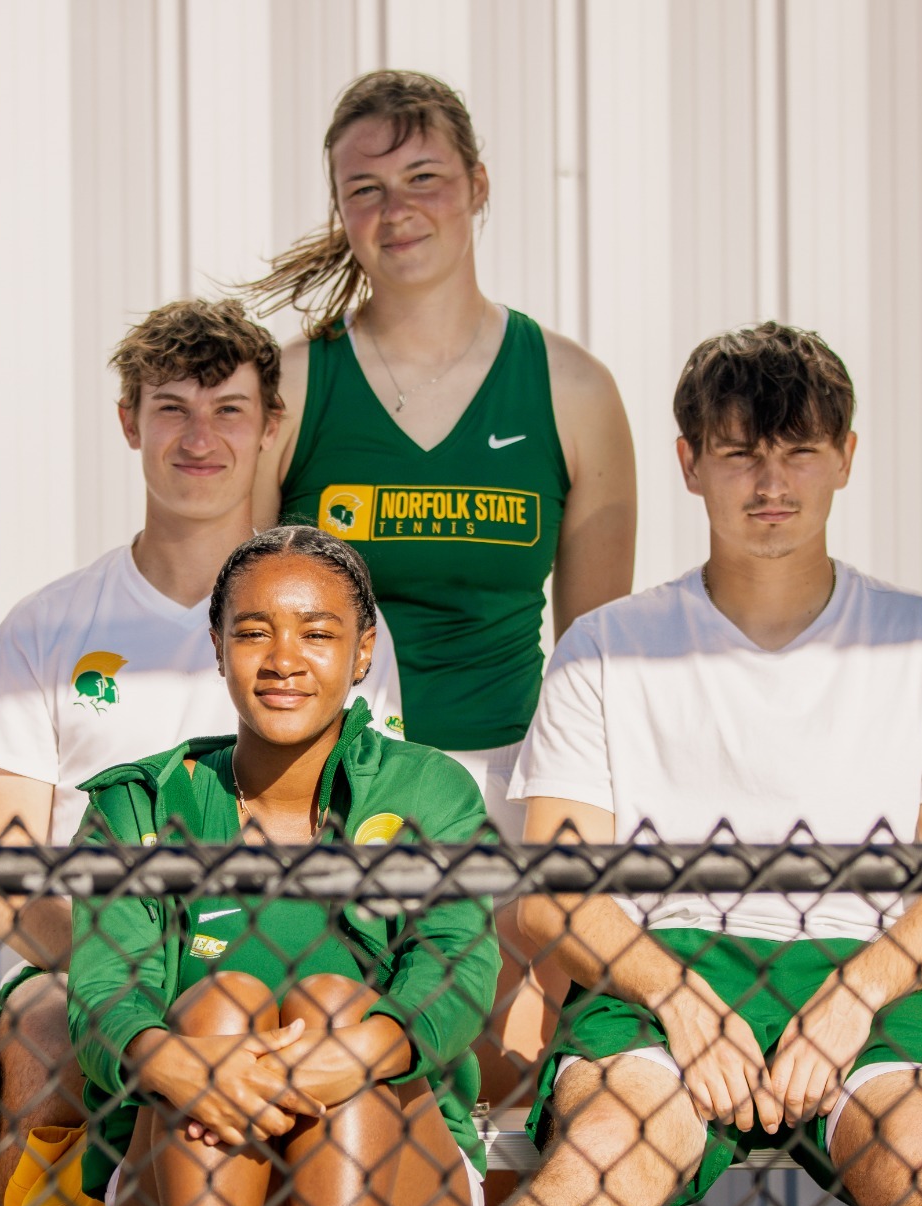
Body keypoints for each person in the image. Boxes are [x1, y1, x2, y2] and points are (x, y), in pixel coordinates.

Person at [469, 323, 922, 1206]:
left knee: (919, 1156)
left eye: (798, 450)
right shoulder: (608, 647)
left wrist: (853, 997)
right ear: (688, 463)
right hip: (661, 962)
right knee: (609, 1143)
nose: (770, 483)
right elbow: (555, 895)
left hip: (875, 963)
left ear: (845, 456)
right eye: (738, 453)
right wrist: (677, 996)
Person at [242, 69, 638, 1107]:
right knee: (327, 1054)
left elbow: (596, 662)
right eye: (364, 188)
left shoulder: (570, 388)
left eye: (423, 177)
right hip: (335, 784)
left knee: (494, 1078)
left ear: (478, 185)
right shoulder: (294, 384)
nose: (397, 208)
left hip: (508, 786)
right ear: (339, 209)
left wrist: (555, 882)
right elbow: (230, 608)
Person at [0, 299, 403, 1206]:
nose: (200, 438)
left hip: (288, 951)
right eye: (172, 409)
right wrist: (127, 971)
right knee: (42, 1023)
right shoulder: (48, 624)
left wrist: (232, 960)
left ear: (270, 426)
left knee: (330, 1020)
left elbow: (370, 832)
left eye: (228, 410)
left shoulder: (335, 626)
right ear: (130, 422)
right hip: (85, 958)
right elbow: (2, 875)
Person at [68, 526, 498, 1206]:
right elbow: (102, 992)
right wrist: (184, 1065)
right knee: (220, 1005)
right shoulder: (142, 803)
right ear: (218, 646)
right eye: (254, 632)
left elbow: (458, 967)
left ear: (363, 652)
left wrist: (354, 1054)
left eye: (318, 633)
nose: (283, 659)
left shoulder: (429, 791)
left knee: (336, 1005)